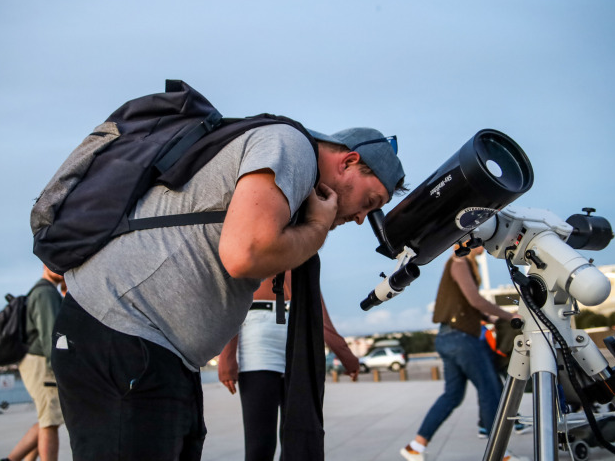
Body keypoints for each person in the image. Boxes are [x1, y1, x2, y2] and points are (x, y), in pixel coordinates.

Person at [52, 125, 405, 460]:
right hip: (121, 334)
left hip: (157, 351)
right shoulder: (292, 147)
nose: (362, 218)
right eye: (370, 201)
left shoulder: (290, 188)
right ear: (349, 162)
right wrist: (317, 227)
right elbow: (245, 254)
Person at [400, 245, 525, 461]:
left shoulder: (463, 264)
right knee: (490, 390)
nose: (484, 244)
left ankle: (416, 447)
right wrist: (508, 316)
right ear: (467, 242)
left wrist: (490, 319)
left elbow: (468, 307)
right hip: (461, 340)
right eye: (480, 239)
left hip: (448, 337)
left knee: (452, 396)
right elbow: (475, 300)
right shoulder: (459, 263)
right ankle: (500, 455)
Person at [217, 272, 360, 460]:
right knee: (260, 443)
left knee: (295, 440)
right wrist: (227, 359)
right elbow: (233, 308)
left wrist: (347, 357)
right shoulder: (253, 254)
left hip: (296, 340)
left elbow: (321, 319)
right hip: (257, 343)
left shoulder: (302, 258)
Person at [2, 265, 65, 461]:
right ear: (45, 266)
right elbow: (51, 337)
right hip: (41, 362)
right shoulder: (45, 293)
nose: (60, 268)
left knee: (48, 419)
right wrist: (61, 368)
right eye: (54, 263)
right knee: (50, 422)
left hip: (33, 360)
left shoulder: (40, 291)